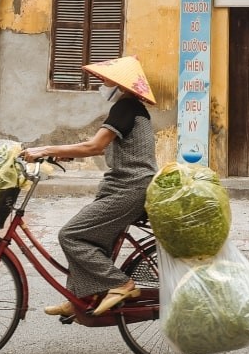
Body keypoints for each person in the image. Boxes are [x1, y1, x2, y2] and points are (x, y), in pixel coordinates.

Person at [19, 55, 158, 317]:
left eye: (105, 80)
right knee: (92, 240)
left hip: (130, 188)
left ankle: (121, 283)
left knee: (71, 235)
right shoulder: (129, 109)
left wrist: (43, 149)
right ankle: (81, 297)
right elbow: (106, 147)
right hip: (125, 186)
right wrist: (64, 153)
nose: (102, 84)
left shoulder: (125, 108)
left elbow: (94, 145)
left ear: (121, 84)